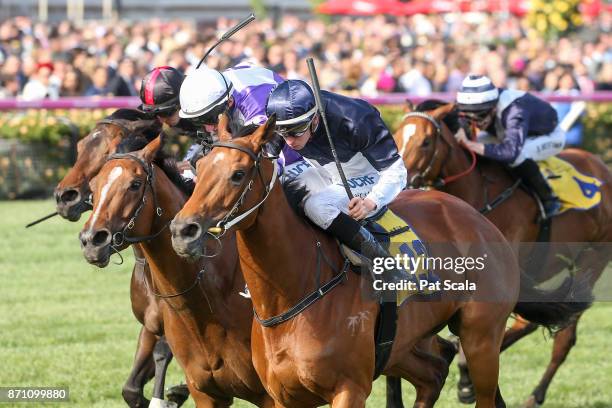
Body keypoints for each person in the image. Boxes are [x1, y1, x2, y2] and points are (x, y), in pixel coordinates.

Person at [265, 79, 408, 278]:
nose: (289, 141)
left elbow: (398, 172)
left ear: (315, 120)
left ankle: (382, 261)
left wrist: (370, 202)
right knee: (284, 187)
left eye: (296, 132)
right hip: (327, 173)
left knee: (317, 206)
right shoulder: (286, 119)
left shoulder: (356, 119)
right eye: (283, 133)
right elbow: (266, 163)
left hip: (368, 177)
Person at [455, 74, 565, 219]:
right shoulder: (477, 103)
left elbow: (511, 151)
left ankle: (549, 199)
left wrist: (471, 144)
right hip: (505, 131)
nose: (475, 121)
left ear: (493, 106)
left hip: (548, 135)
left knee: (519, 156)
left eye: (480, 115)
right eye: (469, 116)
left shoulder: (515, 110)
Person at [178, 61, 283, 139]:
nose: (208, 129)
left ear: (229, 102)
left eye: (210, 119)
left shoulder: (255, 109)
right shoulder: (215, 83)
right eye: (199, 121)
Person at [139, 66, 200, 177]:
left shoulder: (203, 108)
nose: (162, 120)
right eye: (155, 114)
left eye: (166, 113)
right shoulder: (149, 116)